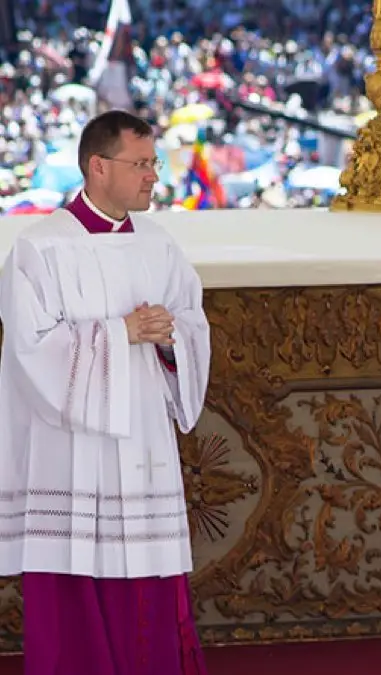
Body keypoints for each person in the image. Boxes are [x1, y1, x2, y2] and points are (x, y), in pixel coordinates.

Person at [0, 110, 210, 674]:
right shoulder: (39, 250)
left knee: (147, 598)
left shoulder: (159, 245)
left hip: (142, 445)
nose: (153, 176)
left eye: (153, 163)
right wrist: (122, 333)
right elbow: (28, 353)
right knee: (75, 597)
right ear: (98, 166)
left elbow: (191, 322)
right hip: (70, 456)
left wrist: (171, 339)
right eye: (140, 164)